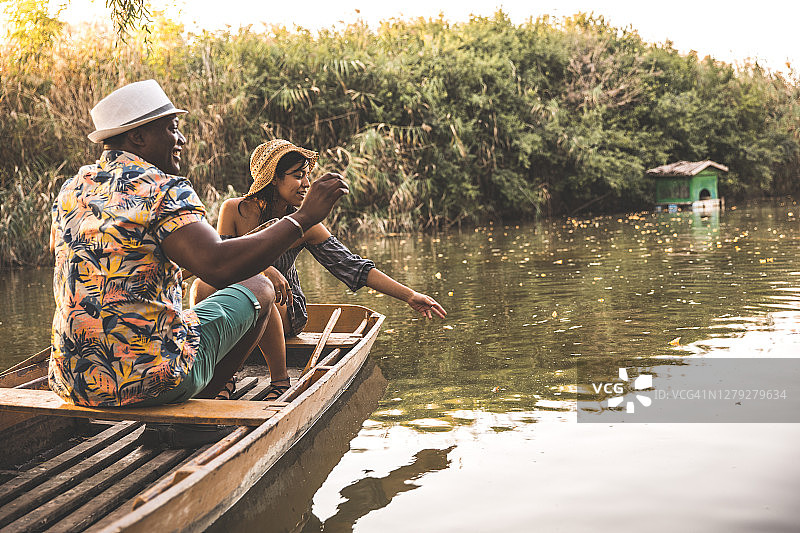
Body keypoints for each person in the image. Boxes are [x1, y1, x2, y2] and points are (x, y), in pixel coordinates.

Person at [49, 80, 347, 416]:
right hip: (150, 382)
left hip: (72, 380)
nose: (182, 139)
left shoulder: (71, 190)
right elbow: (219, 266)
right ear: (138, 137)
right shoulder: (162, 188)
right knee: (260, 289)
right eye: (172, 129)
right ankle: (199, 406)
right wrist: (303, 217)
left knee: (191, 306)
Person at [190, 139, 446, 400]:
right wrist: (263, 269)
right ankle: (222, 376)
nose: (306, 184)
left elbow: (352, 267)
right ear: (274, 178)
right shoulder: (234, 210)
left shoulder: (305, 223)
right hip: (240, 302)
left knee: (264, 291)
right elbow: (222, 264)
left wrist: (410, 296)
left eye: (307, 176)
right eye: (298, 176)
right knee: (203, 285)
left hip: (286, 308)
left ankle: (280, 381)